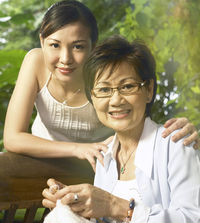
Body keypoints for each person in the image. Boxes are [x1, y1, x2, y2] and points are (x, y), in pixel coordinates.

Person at [42, 36, 200, 223]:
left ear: (148, 90)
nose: (116, 100)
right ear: (92, 98)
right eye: (104, 90)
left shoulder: (175, 143)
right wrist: (76, 202)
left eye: (127, 86)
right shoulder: (105, 155)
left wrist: (116, 206)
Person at [3, 0, 200, 172]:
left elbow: (139, 122)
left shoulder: (106, 75)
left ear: (93, 46)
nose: (65, 59)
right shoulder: (35, 62)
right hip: (43, 162)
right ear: (42, 41)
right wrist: (77, 149)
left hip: (100, 166)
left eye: (78, 46)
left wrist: (178, 135)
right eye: (54, 45)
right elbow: (12, 138)